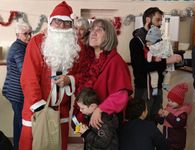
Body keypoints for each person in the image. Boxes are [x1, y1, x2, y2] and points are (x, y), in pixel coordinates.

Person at [19, 1, 80, 150]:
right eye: (57, 21)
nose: (61, 26)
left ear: (71, 26)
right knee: (34, 145)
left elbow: (82, 74)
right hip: (37, 111)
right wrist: (40, 109)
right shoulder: (37, 42)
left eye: (66, 23)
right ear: (50, 22)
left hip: (61, 112)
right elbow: (28, 77)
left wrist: (70, 80)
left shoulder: (75, 46)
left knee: (58, 145)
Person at [70, 19, 133, 130]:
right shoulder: (87, 60)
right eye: (92, 29)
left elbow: (121, 96)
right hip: (87, 122)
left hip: (103, 124)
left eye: (99, 30)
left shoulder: (115, 61)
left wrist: (100, 109)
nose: (93, 32)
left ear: (109, 36)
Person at [129, 7, 182, 123]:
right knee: (142, 122)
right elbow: (140, 68)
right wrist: (167, 61)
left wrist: (174, 60)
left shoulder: (159, 41)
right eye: (157, 20)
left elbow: (161, 63)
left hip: (157, 88)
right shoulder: (136, 42)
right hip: (144, 89)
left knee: (156, 120)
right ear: (148, 19)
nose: (159, 24)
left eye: (161, 22)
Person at [2, 21, 32, 150]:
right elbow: (24, 69)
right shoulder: (18, 47)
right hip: (16, 92)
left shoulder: (21, 46)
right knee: (22, 123)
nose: (29, 36)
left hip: (14, 91)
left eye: (30, 33)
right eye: (25, 34)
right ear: (17, 34)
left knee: (18, 122)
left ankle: (17, 147)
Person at [156, 83, 192, 150]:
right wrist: (160, 115)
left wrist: (168, 115)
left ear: (179, 101)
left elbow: (178, 123)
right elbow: (161, 122)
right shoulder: (168, 108)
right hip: (166, 141)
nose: (170, 103)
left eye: (173, 101)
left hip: (177, 143)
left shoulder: (183, 112)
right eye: (169, 100)